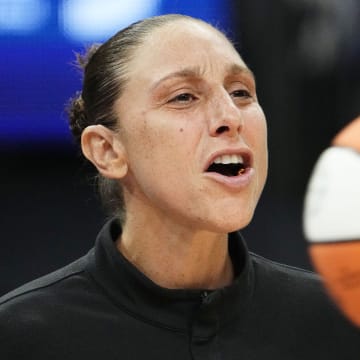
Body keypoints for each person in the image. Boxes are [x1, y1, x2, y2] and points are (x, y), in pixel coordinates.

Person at [0, 14, 359, 359]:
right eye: (183, 97)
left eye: (241, 92)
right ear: (107, 150)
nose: (230, 117)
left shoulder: (339, 322)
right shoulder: (21, 337)